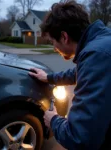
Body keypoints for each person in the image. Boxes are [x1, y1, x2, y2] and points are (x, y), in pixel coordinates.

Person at [28, 1, 111, 150]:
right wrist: (49, 78)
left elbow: (80, 138)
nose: (54, 48)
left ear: (64, 37)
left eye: (52, 41)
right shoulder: (102, 44)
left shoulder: (96, 55)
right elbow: (79, 72)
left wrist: (53, 120)